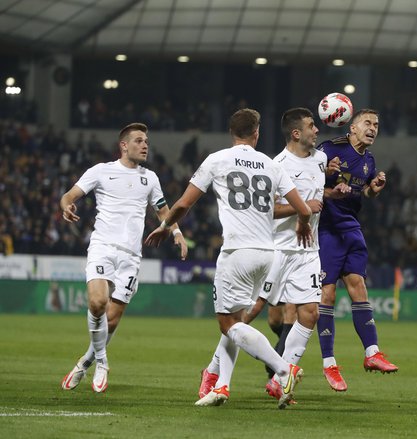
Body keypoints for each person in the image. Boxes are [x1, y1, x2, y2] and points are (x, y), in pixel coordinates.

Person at [145, 108, 312, 409]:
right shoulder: (270, 164)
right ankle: (222, 386)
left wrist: (164, 225)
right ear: (256, 133)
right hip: (267, 254)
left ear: (232, 132)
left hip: (236, 253)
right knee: (237, 321)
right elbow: (304, 209)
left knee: (227, 324)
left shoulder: (218, 159)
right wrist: (301, 224)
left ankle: (285, 369)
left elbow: (184, 203)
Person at [200, 107, 341, 402]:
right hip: (277, 248)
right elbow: (269, 210)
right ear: (296, 133)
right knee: (247, 315)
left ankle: (282, 377)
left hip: (307, 249)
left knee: (310, 313)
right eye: (312, 126)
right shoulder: (277, 164)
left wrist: (330, 193)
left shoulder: (321, 159)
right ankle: (213, 371)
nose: (317, 130)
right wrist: (303, 210)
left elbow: (315, 194)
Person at [60, 122, 188, 393]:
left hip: (131, 256)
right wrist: (66, 206)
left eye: (147, 142)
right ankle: (103, 361)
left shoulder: (150, 177)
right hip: (103, 246)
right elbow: (70, 195)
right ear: (124, 145)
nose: (145, 146)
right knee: (97, 302)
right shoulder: (101, 171)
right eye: (139, 141)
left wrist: (175, 231)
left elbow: (163, 210)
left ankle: (85, 362)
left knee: (112, 319)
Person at [315, 108, 398, 392]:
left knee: (358, 285)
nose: (373, 128)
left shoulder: (369, 160)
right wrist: (325, 175)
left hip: (351, 228)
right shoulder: (329, 149)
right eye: (367, 123)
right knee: (327, 292)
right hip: (326, 228)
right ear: (352, 127)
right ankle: (329, 364)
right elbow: (305, 184)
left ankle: (372, 353)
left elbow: (365, 194)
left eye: (376, 124)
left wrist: (375, 187)